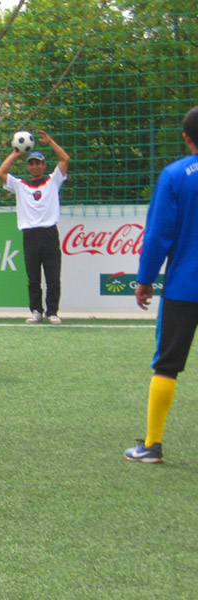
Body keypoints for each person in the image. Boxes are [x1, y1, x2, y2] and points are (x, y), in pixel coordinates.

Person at [124, 107, 198, 463]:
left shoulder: (175, 175)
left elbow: (157, 235)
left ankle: (152, 446)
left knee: (167, 366)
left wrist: (144, 280)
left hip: (184, 287)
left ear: (186, 138)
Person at [0, 130, 70, 324]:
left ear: (44, 165)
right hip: (30, 235)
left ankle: (52, 312)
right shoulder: (20, 185)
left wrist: (50, 141)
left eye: (38, 163)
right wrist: (15, 154)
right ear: (28, 166)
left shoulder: (53, 181)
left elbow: (65, 159)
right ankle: (36, 311)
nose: (35, 166)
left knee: (53, 277)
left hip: (49, 233)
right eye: (32, 163)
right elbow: (1, 173)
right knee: (33, 277)